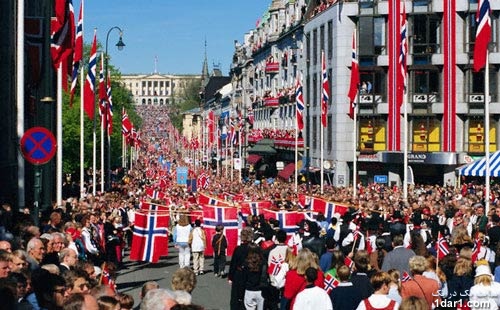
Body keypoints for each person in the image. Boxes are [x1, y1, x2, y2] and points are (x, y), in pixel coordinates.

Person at [229, 227, 254, 310]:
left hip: (239, 274)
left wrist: (230, 277)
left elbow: (233, 263)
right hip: (251, 274)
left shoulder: (238, 249)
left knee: (236, 296)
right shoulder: (254, 249)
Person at [243, 244, 266, 310]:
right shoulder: (263, 262)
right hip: (260, 290)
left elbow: (243, 278)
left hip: (249, 290)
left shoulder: (246, 263)